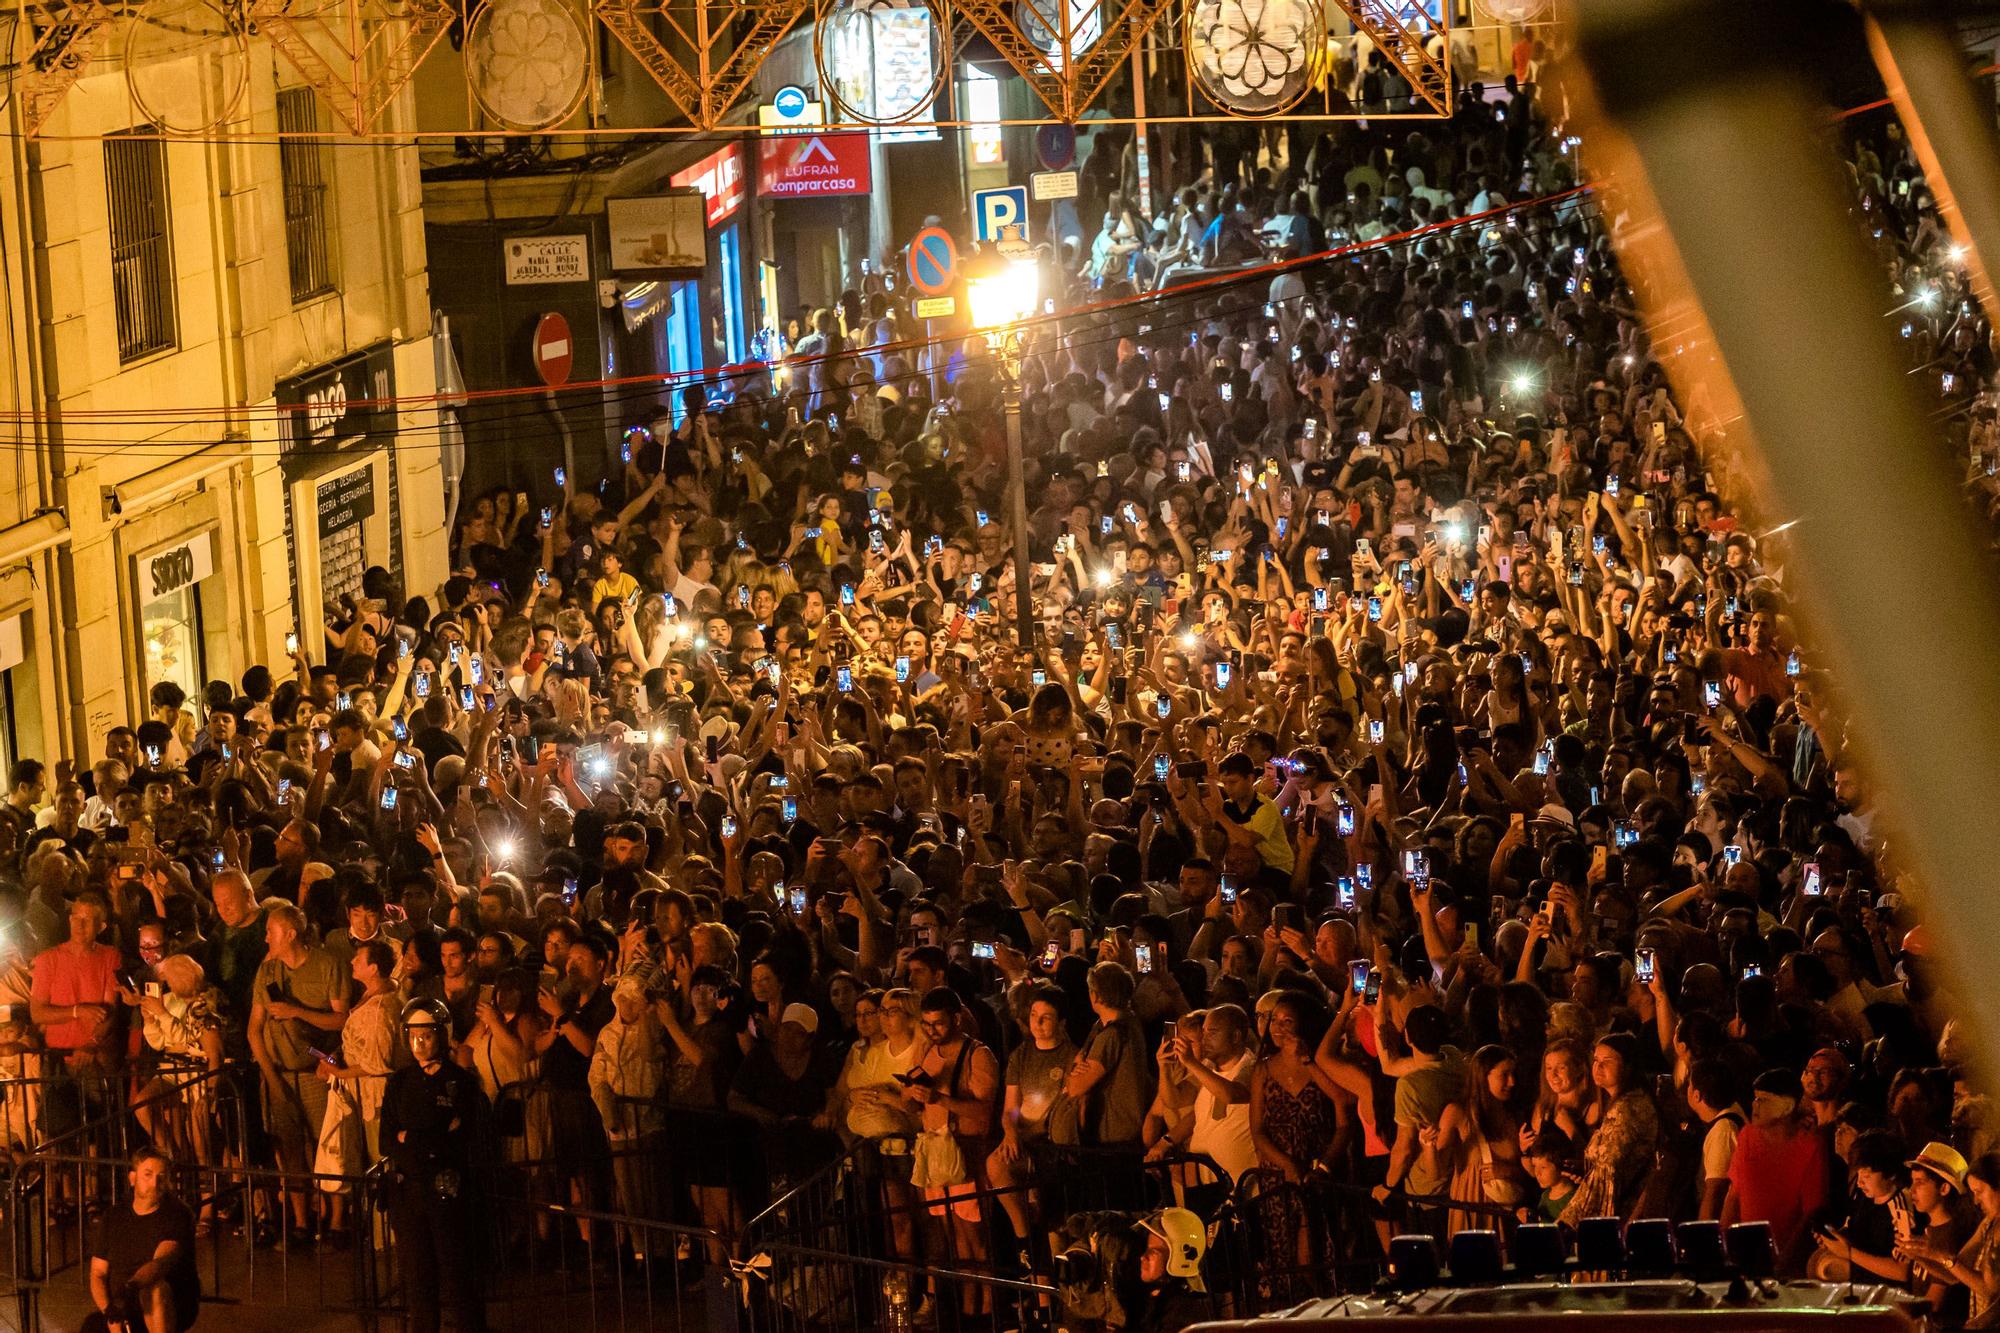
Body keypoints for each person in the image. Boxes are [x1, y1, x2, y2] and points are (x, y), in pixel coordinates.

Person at [381, 997, 487, 1333]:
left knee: (456, 1273)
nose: (419, 1043)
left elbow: (462, 1135)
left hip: (446, 1189)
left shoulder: (461, 1083)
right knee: (417, 1277)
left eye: (426, 1036)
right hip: (408, 1192)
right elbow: (386, 1139)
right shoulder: (398, 1082)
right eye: (413, 1035)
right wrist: (427, 1137)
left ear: (441, 1036)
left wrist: (409, 1137)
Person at [86, 1145, 198, 1333]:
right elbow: (97, 1273)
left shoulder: (177, 1214)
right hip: (121, 1306)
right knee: (90, 1326)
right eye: (148, 1174)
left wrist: (130, 1289)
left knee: (154, 1289)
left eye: (161, 1177)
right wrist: (110, 1312)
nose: (155, 1183)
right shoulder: (114, 1216)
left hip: (166, 1301)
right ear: (132, 1178)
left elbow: (161, 1262)